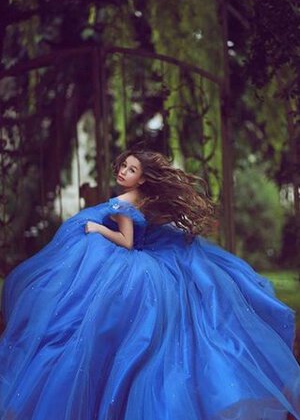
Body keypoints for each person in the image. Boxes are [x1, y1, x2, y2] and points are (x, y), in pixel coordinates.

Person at [0, 148, 299, 420]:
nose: (122, 172)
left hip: (132, 256)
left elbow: (127, 243)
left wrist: (97, 230)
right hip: (148, 255)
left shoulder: (121, 202)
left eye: (131, 170)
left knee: (98, 320)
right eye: (124, 166)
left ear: (142, 180)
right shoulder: (143, 199)